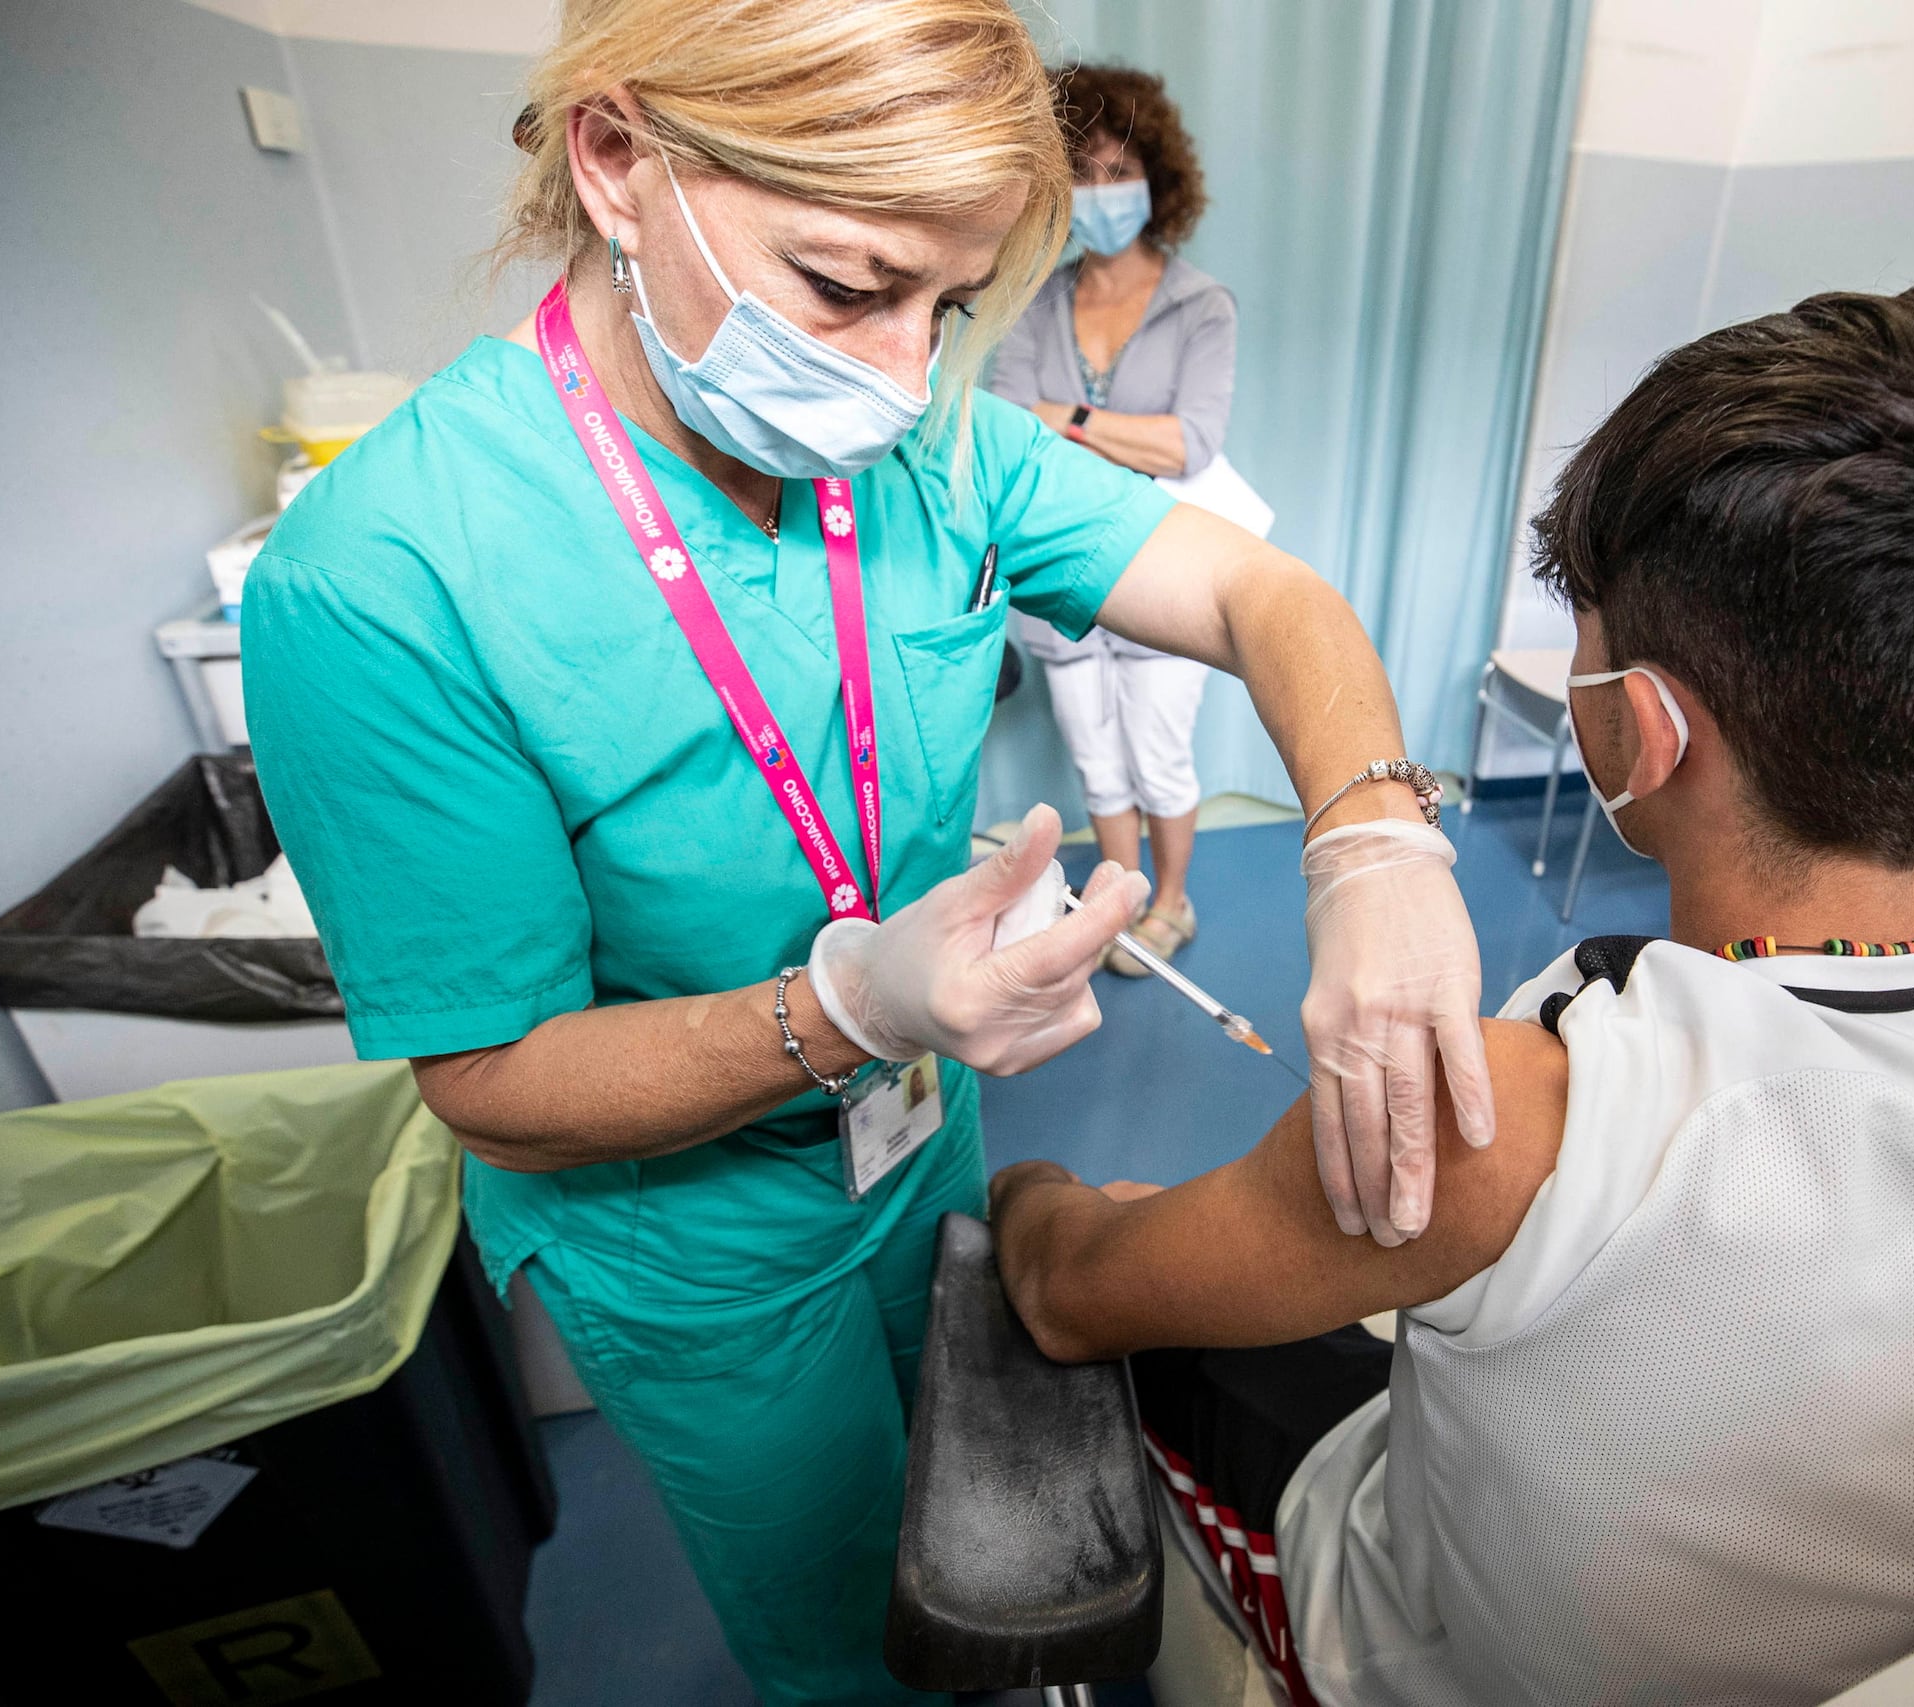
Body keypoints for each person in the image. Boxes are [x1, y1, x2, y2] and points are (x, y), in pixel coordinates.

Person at [237, 4, 1490, 1701]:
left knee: (976, 1496)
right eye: (845, 287)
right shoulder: (385, 578)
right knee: (855, 1632)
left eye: (954, 307)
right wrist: (847, 1003)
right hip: (696, 1242)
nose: (908, 374)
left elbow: (1265, 593)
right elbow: (489, 1076)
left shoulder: (936, 439)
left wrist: (1373, 843)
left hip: (922, 1139)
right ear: (617, 160)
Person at [991, 286, 1914, 1706]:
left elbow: (1068, 1295)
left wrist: (1048, 1198)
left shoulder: (1521, 1112)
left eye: (1586, 641)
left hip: (1407, 1645)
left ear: (1645, 724)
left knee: (1115, 1309)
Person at [989, 64, 1235, 975]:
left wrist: (1073, 419)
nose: (1100, 192)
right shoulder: (1036, 300)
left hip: (1162, 566)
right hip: (1057, 568)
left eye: (1117, 168)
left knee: (1159, 754)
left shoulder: (1199, 305)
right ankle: (1122, 899)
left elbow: (1192, 444)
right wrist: (1092, 431)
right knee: (1096, 757)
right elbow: (1010, 425)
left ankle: (1173, 901)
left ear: (1156, 179)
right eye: (1078, 172)